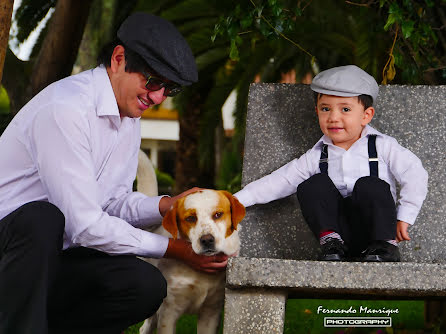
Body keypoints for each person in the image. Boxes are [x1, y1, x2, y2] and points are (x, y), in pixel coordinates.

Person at [0, 13, 228, 334]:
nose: (159, 97)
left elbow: (110, 204)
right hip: (11, 253)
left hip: (53, 260)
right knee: (43, 220)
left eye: (169, 89)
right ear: (119, 59)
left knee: (144, 285)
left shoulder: (128, 117)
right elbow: (86, 226)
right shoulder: (66, 109)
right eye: (153, 82)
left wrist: (165, 206)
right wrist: (175, 249)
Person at [234, 65, 428, 263]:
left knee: (370, 185)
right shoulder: (317, 155)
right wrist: (235, 201)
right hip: (340, 237)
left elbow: (415, 174)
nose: (334, 117)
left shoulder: (383, 146)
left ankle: (385, 245)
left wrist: (405, 216)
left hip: (376, 232)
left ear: (366, 115)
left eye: (345, 109)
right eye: (325, 109)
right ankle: (332, 243)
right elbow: (280, 181)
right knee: (312, 185)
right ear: (316, 111)